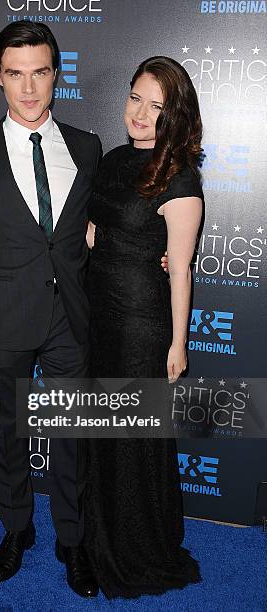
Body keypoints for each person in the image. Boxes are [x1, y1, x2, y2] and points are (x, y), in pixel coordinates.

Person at [0, 21, 101, 598]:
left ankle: (73, 538)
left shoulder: (86, 147)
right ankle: (16, 529)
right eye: (16, 74)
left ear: (56, 75)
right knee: (7, 435)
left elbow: (92, 228)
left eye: (40, 72)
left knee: (71, 436)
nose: (29, 88)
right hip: (1, 320)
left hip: (69, 320)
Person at [84, 56, 203, 599]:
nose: (141, 113)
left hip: (141, 326)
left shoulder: (179, 176)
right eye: (136, 98)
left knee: (134, 437)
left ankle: (138, 546)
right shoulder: (109, 162)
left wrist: (177, 344)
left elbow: (180, 268)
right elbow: (91, 236)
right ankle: (100, 534)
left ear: (174, 115)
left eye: (157, 106)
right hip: (97, 318)